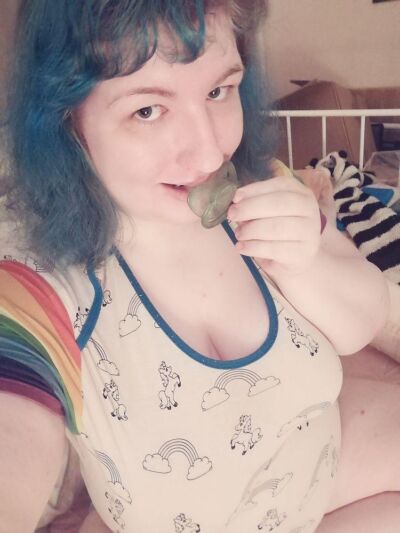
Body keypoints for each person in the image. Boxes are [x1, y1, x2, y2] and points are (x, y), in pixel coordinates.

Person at [0, 1, 398, 532]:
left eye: (218, 91)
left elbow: (364, 319)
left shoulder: (263, 189)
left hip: (316, 481)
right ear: (66, 120)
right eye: (147, 110)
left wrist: (306, 264)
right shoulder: (43, 288)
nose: (210, 153)